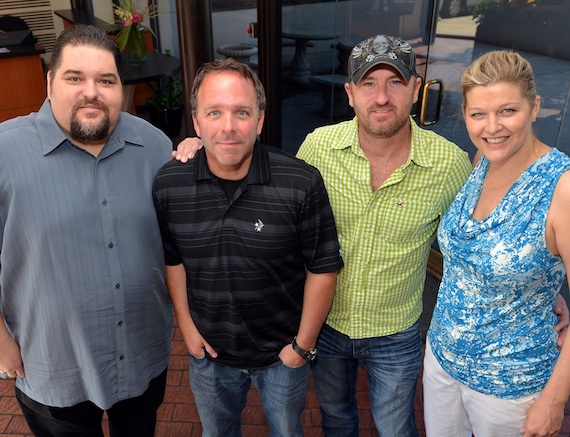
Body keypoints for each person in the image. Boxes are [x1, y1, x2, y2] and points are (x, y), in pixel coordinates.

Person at [152, 57, 343, 436]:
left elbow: (322, 267)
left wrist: (301, 347)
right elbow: (173, 261)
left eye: (241, 112)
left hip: (281, 355)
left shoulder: (300, 183)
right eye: (214, 112)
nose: (228, 127)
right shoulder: (169, 184)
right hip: (209, 355)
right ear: (196, 121)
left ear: (259, 120)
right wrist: (187, 329)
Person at [0, 24, 173, 436]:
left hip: (142, 355)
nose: (91, 91)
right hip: (52, 364)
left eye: (105, 80)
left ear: (120, 88)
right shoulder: (5, 152)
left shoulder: (155, 147)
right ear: (49, 82)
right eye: (75, 78)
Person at [423, 50, 570, 437]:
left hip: (511, 389)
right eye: (478, 114)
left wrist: (554, 401)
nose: (492, 127)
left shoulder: (562, 188)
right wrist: (543, 287)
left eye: (508, 111)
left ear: (535, 107)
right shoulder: (483, 159)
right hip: (441, 359)